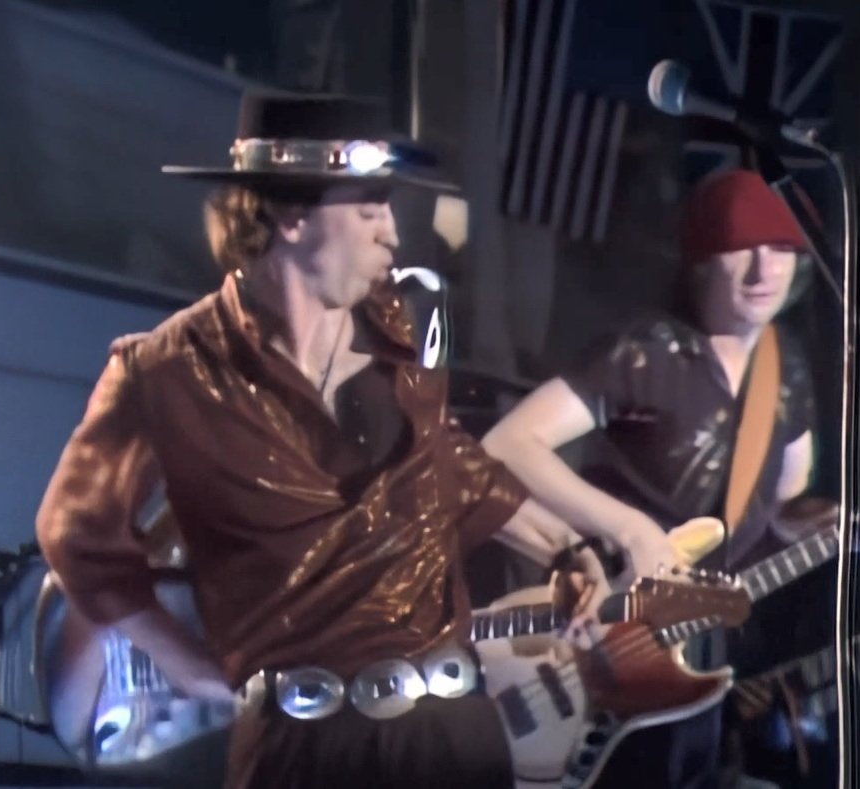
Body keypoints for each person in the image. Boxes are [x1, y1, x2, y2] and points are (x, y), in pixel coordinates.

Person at [35, 90, 614, 789]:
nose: (391, 233)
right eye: (370, 208)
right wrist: (191, 667)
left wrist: (564, 546)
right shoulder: (166, 372)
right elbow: (76, 535)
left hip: (450, 738)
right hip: (300, 752)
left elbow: (450, 464)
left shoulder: (407, 339)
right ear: (291, 217)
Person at [481, 168, 860, 786]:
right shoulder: (648, 350)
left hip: (698, 656)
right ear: (700, 262)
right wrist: (629, 528)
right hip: (599, 632)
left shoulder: (787, 368)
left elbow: (784, 513)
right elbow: (506, 444)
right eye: (741, 250)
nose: (763, 270)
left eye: (781, 250)